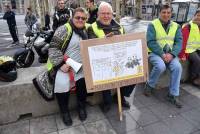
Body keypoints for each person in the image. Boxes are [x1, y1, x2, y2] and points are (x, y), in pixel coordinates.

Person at [88, 2, 135, 112]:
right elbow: (91, 47)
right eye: (103, 13)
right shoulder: (92, 27)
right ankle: (107, 101)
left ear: (112, 14)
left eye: (108, 13)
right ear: (98, 14)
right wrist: (104, 39)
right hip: (102, 61)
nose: (106, 16)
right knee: (105, 72)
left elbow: (126, 43)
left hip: (120, 59)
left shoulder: (119, 26)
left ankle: (120, 96)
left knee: (134, 74)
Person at [47, 7, 88, 126]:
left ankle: (81, 107)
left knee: (83, 84)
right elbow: (53, 48)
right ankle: (64, 112)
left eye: (83, 18)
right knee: (61, 85)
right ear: (72, 17)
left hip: (81, 66)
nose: (80, 20)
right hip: (64, 64)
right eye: (77, 17)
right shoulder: (63, 29)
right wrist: (60, 65)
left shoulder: (87, 29)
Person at [144, 4, 183, 108]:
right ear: (159, 13)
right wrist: (162, 54)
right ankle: (150, 85)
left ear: (171, 14)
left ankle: (173, 94)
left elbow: (179, 43)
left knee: (178, 67)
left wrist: (172, 54)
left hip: (170, 54)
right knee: (160, 66)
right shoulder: (152, 24)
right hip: (155, 53)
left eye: (168, 13)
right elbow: (150, 42)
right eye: (164, 12)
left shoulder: (176, 26)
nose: (166, 15)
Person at [179, 8, 200, 88]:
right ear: (194, 16)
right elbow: (182, 42)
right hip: (188, 49)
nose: (199, 17)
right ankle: (194, 78)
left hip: (196, 48)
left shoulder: (199, 26)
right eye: (198, 15)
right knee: (197, 60)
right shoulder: (188, 26)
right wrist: (182, 54)